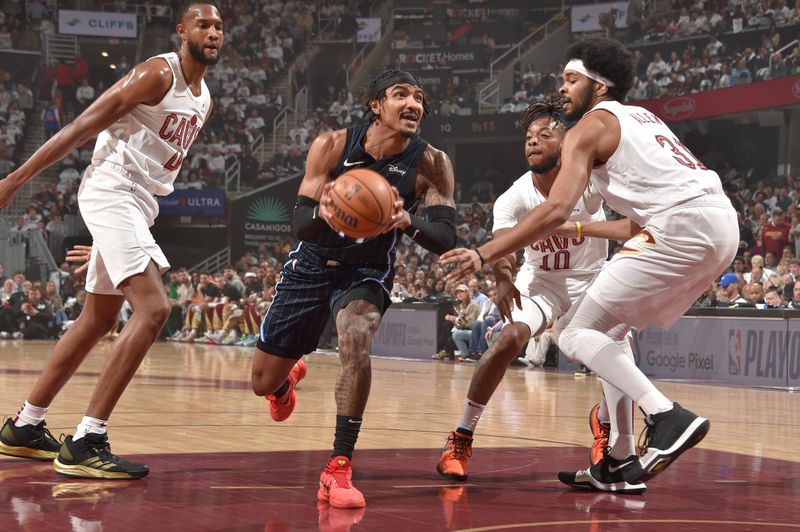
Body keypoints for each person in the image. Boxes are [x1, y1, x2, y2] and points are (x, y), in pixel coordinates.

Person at [441, 37, 738, 491]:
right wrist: (506, 265)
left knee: (578, 333)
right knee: (611, 335)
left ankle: (666, 417)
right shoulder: (642, 117)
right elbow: (633, 213)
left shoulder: (588, 129)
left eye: (571, 79)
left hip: (675, 226)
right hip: (719, 225)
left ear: (599, 86)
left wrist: (482, 254)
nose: (562, 88)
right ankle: (618, 460)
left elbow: (560, 212)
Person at [0, 0, 223, 479]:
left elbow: (153, 164)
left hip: (137, 204)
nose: (213, 31)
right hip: (112, 189)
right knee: (155, 309)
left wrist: (113, 237)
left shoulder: (205, 100)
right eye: (203, 23)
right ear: (182, 30)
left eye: (220, 25)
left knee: (98, 317)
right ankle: (87, 440)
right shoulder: (155, 75)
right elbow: (84, 126)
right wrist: (15, 180)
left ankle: (24, 426)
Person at [250, 69, 457, 509]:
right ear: (376, 105)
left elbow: (444, 237)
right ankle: (284, 382)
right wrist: (328, 211)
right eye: (401, 94)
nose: (414, 104)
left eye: (419, 97)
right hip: (311, 264)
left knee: (356, 339)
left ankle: (338, 468)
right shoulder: (332, 145)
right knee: (260, 381)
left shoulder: (431, 162)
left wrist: (408, 222)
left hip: (366, 268)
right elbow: (300, 224)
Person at [436, 97, 641, 491]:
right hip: (541, 281)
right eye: (528, 137)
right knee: (509, 337)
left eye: (544, 135)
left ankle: (608, 431)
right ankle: (460, 437)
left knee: (616, 356)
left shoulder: (594, 179)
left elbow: (634, 227)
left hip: (593, 280)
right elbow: (503, 246)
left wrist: (580, 230)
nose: (533, 142)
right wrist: (503, 278)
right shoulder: (513, 197)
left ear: (566, 143)